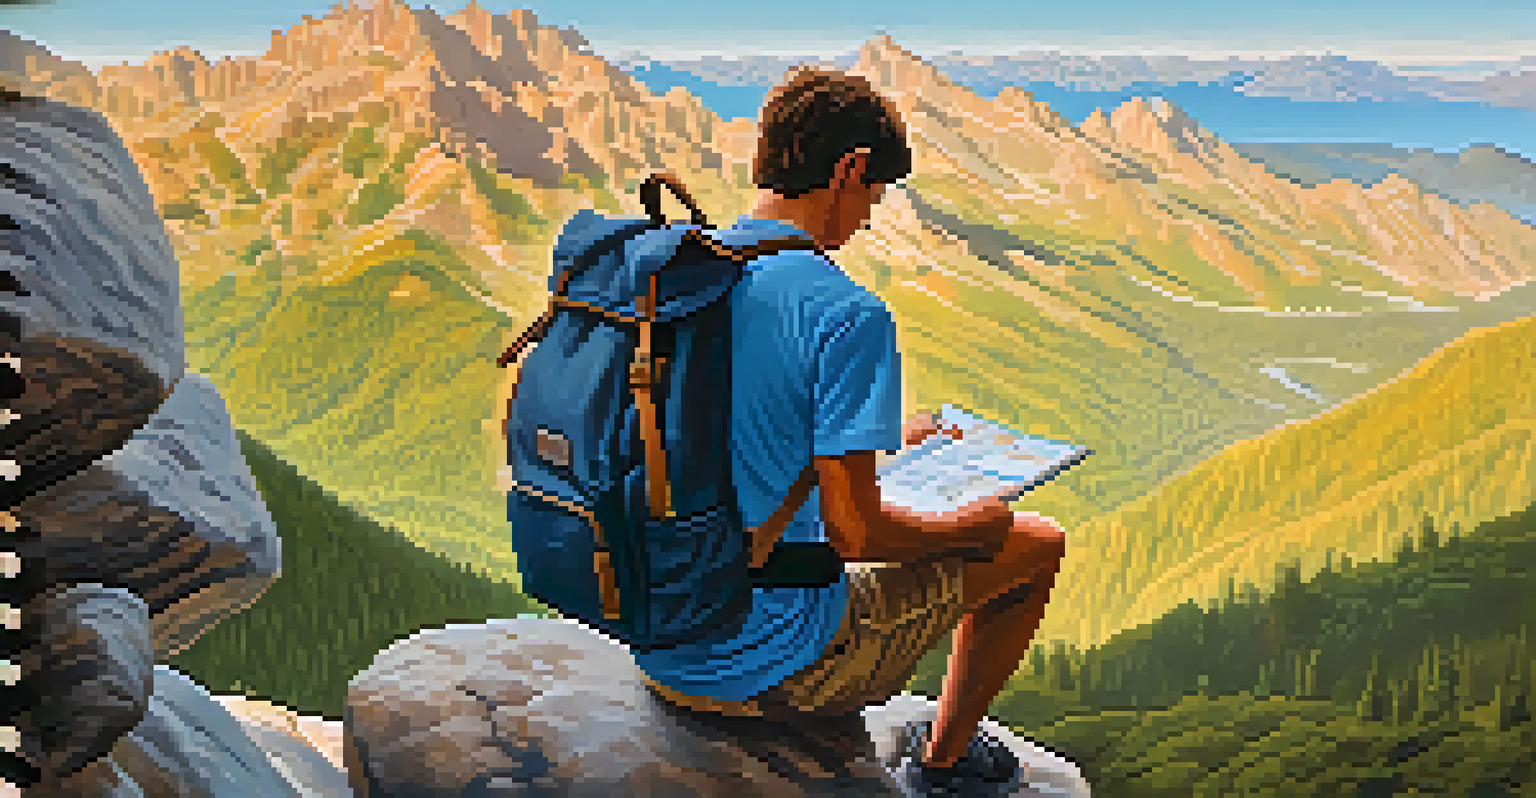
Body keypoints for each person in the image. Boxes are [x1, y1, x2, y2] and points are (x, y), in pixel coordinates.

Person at [633, 66, 1068, 795]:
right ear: (850, 169)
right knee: (1036, 544)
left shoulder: (691, 273)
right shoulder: (846, 311)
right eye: (874, 194)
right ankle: (944, 767)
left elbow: (737, 424)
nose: (868, 216)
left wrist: (889, 436)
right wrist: (969, 527)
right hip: (772, 665)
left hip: (664, 635)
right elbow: (857, 536)